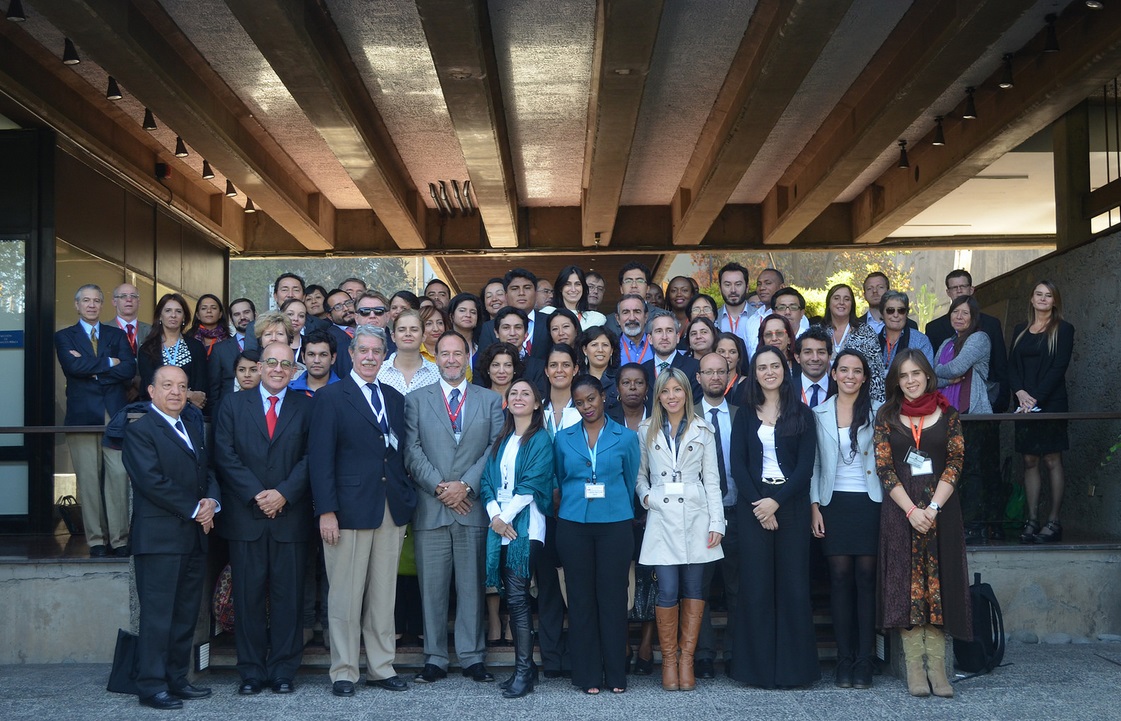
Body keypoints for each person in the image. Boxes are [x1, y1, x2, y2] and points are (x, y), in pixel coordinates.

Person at [310, 325, 417, 696]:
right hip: (347, 511)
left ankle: (381, 667)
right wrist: (326, 511)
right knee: (345, 595)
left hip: (389, 509)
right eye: (364, 351)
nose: (370, 357)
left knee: (383, 595)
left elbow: (397, 452)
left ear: (382, 356)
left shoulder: (393, 396)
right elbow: (320, 459)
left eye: (376, 351)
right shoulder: (331, 397)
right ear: (350, 354)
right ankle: (343, 671)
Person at [404, 331, 505, 685]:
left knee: (471, 587)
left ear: (468, 357)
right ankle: (434, 658)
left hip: (471, 507)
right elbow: (411, 450)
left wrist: (466, 486)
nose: (451, 360)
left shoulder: (490, 401)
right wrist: (439, 486)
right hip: (432, 507)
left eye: (457, 353)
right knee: (431, 589)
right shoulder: (416, 400)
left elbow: (494, 447)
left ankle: (473, 657)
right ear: (435, 356)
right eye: (444, 354)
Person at [213, 342, 312, 695]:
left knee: (289, 598)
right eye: (271, 362)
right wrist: (258, 494)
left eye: (286, 364)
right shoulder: (234, 405)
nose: (277, 369)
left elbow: (311, 457)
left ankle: (284, 670)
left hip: (290, 517)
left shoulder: (306, 406)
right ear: (259, 366)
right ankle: (251, 671)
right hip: (246, 517)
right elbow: (223, 454)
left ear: (293, 370)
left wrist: (283, 493)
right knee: (248, 596)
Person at [122, 366, 220, 709]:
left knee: (185, 614)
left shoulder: (192, 424)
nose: (176, 392)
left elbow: (205, 470)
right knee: (158, 615)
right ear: (151, 391)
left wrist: (211, 502)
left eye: (181, 386)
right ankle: (151, 685)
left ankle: (177, 679)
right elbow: (151, 482)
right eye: (167, 386)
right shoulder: (140, 430)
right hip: (159, 541)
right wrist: (196, 509)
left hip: (193, 537)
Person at [875, 349, 970, 698]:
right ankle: (915, 667)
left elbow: (956, 462)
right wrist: (912, 512)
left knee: (939, 585)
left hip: (941, 510)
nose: (911, 380)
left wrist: (931, 508)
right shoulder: (886, 416)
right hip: (901, 512)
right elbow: (884, 468)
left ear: (928, 376)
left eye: (916, 373)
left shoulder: (949, 414)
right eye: (903, 375)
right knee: (907, 586)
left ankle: (939, 668)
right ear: (896, 381)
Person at [729, 345, 818, 689]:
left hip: (791, 506)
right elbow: (737, 465)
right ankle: (757, 671)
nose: (769, 372)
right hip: (753, 508)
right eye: (762, 367)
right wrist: (759, 504)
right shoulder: (746, 414)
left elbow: (805, 470)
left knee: (794, 586)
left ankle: (795, 671)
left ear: (785, 370)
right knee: (757, 587)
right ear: (755, 374)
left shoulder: (802, 414)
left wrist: (775, 503)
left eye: (774, 365)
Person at [636, 369, 724, 692]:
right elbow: (639, 475)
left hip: (696, 516)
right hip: (661, 516)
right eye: (665, 391)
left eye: (678, 390)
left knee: (694, 589)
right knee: (667, 589)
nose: (672, 396)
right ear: (657, 396)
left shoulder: (704, 429)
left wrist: (717, 522)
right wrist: (647, 496)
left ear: (688, 392)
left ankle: (687, 661)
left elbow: (713, 480)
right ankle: (669, 661)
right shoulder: (646, 429)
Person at [554, 375, 640, 694]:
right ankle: (588, 675)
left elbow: (630, 477)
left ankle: (616, 675)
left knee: (613, 598)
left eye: (591, 398)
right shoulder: (563, 439)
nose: (587, 406)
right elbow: (561, 478)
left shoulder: (626, 437)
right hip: (573, 524)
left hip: (615, 524)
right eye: (579, 402)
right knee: (580, 599)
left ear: (603, 397)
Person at [810, 350, 882, 689]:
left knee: (866, 580)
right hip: (832, 502)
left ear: (865, 377)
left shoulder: (880, 412)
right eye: (844, 370)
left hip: (870, 501)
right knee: (839, 579)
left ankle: (865, 661)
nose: (850, 376)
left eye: (857, 371)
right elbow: (813, 466)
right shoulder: (818, 413)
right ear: (834, 374)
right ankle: (843, 660)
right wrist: (814, 506)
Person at [479, 380, 555, 698]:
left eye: (526, 393)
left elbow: (531, 484)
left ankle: (524, 671)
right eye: (513, 394)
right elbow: (486, 481)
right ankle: (525, 669)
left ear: (538, 404)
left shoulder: (540, 439)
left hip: (526, 529)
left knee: (520, 600)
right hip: (502, 525)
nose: (519, 397)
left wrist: (503, 519)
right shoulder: (502, 440)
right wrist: (495, 516)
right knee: (514, 599)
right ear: (506, 403)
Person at [56, 284, 137, 557]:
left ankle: (120, 539)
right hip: (81, 418)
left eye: (96, 301)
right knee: (89, 482)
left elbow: (128, 369)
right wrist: (109, 363)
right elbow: (72, 367)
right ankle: (97, 541)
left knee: (118, 476)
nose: (91, 305)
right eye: (86, 301)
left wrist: (93, 368)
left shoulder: (116, 334)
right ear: (77, 305)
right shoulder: (64, 336)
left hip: (113, 416)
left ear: (103, 305)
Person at [1009, 281, 1075, 544]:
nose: (1043, 299)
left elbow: (1059, 367)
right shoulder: (1020, 330)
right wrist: (1020, 393)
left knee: (1051, 459)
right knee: (1029, 461)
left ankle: (1053, 521)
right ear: (1031, 298)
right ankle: (1032, 519)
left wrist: (1035, 398)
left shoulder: (1064, 329)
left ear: (1055, 301)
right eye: (1039, 294)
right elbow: (1011, 366)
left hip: (1052, 403)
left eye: (1049, 295)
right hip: (1023, 404)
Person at [693, 352, 740, 680]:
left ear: (729, 376)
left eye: (720, 372)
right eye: (708, 372)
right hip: (699, 516)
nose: (714, 378)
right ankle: (704, 655)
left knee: (738, 587)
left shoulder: (743, 414)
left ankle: (737, 654)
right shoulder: (685, 415)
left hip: (737, 512)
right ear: (698, 378)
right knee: (701, 588)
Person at [933, 296, 992, 545]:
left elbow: (952, 368)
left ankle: (975, 525)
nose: (959, 317)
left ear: (973, 317)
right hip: (947, 416)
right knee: (948, 470)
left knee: (973, 471)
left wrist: (940, 372)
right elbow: (931, 377)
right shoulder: (947, 341)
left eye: (964, 313)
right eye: (955, 312)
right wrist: (942, 376)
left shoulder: (979, 338)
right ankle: (953, 522)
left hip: (973, 415)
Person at [138, 293, 207, 409]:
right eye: (168, 311)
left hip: (189, 411)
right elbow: (149, 385)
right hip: (157, 411)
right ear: (160, 316)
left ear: (184, 317)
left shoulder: (196, 347)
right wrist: (188, 394)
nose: (173, 315)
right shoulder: (147, 349)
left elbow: (201, 388)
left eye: (178, 311)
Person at [821, 284, 887, 402]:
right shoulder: (818, 331)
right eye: (836, 298)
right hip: (821, 398)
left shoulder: (866, 332)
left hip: (859, 400)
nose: (841, 302)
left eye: (846, 299)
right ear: (828, 302)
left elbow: (877, 374)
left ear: (852, 304)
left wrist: (875, 408)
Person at [207, 298, 257, 411]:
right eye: (237, 314)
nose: (242, 317)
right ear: (231, 319)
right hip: (229, 411)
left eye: (246, 312)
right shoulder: (220, 349)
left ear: (255, 314)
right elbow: (214, 389)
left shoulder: (266, 346)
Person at [643, 309, 701, 403]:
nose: (664, 337)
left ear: (677, 337)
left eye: (669, 330)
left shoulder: (695, 368)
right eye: (658, 331)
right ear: (650, 339)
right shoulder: (642, 371)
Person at [378, 309, 440, 396]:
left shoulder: (438, 374)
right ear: (393, 337)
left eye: (414, 330)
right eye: (402, 330)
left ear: (423, 336)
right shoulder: (379, 372)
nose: (408, 334)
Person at [878, 291, 934, 369]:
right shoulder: (872, 341)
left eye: (901, 311)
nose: (896, 315)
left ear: (906, 313)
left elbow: (927, 373)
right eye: (890, 310)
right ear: (882, 313)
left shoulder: (920, 341)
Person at [543, 265, 607, 329]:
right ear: (560, 288)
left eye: (577, 284)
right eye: (567, 284)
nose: (573, 289)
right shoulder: (547, 313)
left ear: (583, 288)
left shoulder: (595, 318)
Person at [543, 344, 582, 436]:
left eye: (566, 365)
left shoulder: (584, 409)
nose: (559, 370)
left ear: (575, 370)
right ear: (546, 371)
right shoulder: (536, 409)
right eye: (553, 365)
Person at [288, 330, 340, 397]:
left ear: (333, 358)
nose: (316, 360)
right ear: (303, 357)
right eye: (311, 354)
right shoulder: (288, 390)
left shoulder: (344, 391)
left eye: (323, 355)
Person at [580, 326, 620, 408]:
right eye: (594, 345)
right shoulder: (576, 378)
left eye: (605, 345)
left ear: (611, 350)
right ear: (585, 350)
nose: (600, 350)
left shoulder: (620, 378)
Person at [794, 326, 833, 408]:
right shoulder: (786, 389)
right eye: (808, 352)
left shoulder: (839, 389)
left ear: (829, 357)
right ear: (798, 358)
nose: (815, 358)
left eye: (821, 352)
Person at [448, 293, 484, 377]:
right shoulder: (441, 345)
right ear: (451, 316)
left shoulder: (483, 345)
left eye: (473, 312)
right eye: (462, 310)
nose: (468, 315)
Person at [616, 293, 654, 366]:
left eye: (637, 312)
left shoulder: (657, 345)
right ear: (618, 319)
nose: (632, 318)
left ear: (646, 317)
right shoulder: (611, 347)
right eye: (626, 312)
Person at [715, 332, 751, 404]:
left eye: (732, 352)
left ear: (739, 357)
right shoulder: (706, 384)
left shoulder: (749, 385)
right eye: (721, 351)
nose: (726, 356)